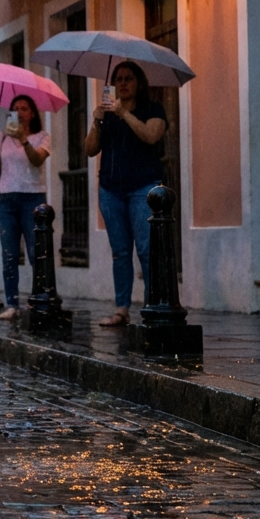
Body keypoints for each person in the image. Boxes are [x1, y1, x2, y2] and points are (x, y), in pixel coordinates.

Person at [85, 61, 167, 327]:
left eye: (128, 78)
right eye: (118, 79)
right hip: (111, 189)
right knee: (120, 252)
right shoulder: (107, 114)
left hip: (143, 186)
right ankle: (121, 308)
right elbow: (89, 149)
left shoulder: (152, 109)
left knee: (145, 250)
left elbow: (151, 136)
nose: (122, 83)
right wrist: (97, 120)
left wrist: (124, 114)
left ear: (138, 82)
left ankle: (152, 306)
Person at [0, 94, 51, 321]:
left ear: (32, 113)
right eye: (15, 109)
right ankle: (12, 303)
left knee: (36, 252)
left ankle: (40, 298)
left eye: (24, 108)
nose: (19, 112)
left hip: (32, 198)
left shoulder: (42, 137)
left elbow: (37, 160)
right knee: (9, 253)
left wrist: (24, 139)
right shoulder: (3, 138)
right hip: (6, 198)